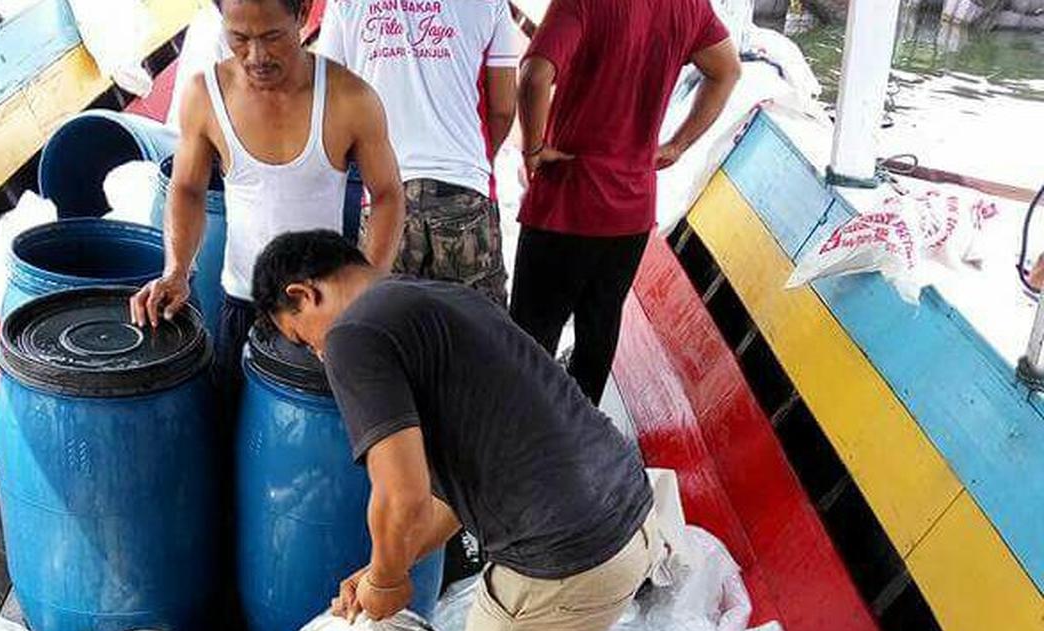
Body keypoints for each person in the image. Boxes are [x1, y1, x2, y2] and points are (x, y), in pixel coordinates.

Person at [252, 229, 658, 631]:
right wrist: (382, 569)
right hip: (629, 522)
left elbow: (402, 494)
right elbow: (451, 498)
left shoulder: (352, 333)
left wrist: (387, 580)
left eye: (302, 337)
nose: (318, 353)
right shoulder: (441, 299)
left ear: (304, 294)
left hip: (563, 555)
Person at [130, 0, 405, 404]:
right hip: (240, 304)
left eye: (272, 37)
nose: (256, 56)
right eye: (239, 38)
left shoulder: (350, 97)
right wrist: (176, 271)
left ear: (303, 14)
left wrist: (363, 290)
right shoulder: (204, 95)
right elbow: (187, 189)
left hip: (322, 312)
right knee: (232, 437)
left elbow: (387, 196)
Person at [510, 0, 741, 405]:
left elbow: (534, 75)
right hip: (631, 210)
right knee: (598, 329)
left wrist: (532, 149)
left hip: (568, 199)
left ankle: (520, 449)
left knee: (531, 340)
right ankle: (583, 445)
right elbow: (726, 71)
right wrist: (678, 145)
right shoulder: (688, 6)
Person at [317, 0, 520, 305]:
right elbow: (503, 109)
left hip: (384, 198)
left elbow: (327, 95)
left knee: (387, 334)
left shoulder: (344, 4)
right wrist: (476, 159)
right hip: (464, 191)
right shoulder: (491, 3)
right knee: (477, 337)